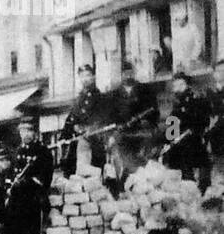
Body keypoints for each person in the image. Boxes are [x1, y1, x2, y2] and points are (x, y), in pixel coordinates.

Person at [0, 118, 53, 234]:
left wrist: (28, 182)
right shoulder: (17, 152)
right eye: (22, 131)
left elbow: (45, 178)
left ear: (35, 133)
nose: (26, 134)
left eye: (29, 131)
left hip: (33, 202)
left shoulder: (42, 152)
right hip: (16, 203)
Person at [105, 59, 158, 192]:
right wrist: (115, 130)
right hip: (123, 133)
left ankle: (141, 185)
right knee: (119, 158)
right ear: (121, 75)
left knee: (144, 161)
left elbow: (154, 111)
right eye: (125, 73)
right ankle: (121, 185)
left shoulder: (146, 90)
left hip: (141, 132)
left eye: (130, 73)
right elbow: (109, 117)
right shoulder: (113, 95)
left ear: (134, 73)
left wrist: (147, 122)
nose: (128, 76)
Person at [162, 71, 211, 191]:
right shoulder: (176, 104)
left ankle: (199, 188)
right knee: (170, 156)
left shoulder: (197, 100)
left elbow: (202, 122)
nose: (178, 89)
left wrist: (184, 135)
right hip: (179, 142)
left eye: (181, 85)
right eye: (175, 86)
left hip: (194, 140)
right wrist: (168, 142)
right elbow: (172, 124)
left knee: (191, 156)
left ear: (187, 85)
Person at [60, 63, 106, 175]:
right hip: (78, 139)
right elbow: (71, 118)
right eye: (82, 76)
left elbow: (102, 117)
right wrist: (64, 135)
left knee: (92, 171)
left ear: (93, 77)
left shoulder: (98, 96)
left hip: (93, 139)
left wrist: (88, 128)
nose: (85, 79)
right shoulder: (79, 97)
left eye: (88, 75)